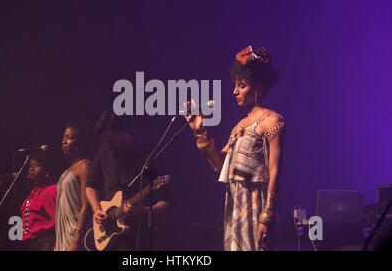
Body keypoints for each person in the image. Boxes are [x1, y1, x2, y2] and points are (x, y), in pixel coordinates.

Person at [184, 45, 285, 251]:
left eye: (241, 85)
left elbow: (275, 171)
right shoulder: (239, 126)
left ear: (257, 87)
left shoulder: (272, 121)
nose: (235, 91)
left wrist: (267, 216)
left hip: (257, 203)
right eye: (235, 85)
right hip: (236, 205)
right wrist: (199, 133)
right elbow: (219, 165)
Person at [86, 110, 170, 251]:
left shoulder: (146, 155)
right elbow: (90, 186)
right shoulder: (103, 151)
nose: (108, 145)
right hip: (109, 232)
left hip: (137, 237)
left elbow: (167, 202)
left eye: (112, 141)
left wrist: (146, 211)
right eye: (105, 142)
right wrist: (96, 209)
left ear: (124, 131)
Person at [55, 120, 95, 251]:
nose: (64, 141)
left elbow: (86, 205)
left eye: (69, 138)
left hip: (77, 237)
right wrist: (57, 243)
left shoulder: (84, 166)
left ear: (80, 143)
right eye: (63, 137)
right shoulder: (67, 171)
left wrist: (76, 240)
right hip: (63, 239)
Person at [20, 150, 57, 251]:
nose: (31, 169)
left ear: (46, 170)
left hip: (46, 243)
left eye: (37, 165)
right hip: (30, 244)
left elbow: (58, 221)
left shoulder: (53, 190)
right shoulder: (32, 193)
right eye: (29, 166)